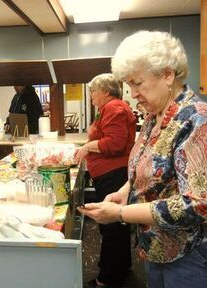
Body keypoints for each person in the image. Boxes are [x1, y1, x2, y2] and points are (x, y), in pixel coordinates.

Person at [78, 31, 207, 288]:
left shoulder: (196, 119)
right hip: (155, 244)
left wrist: (122, 213)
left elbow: (197, 204)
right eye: (129, 84)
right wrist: (126, 191)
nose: (132, 93)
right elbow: (144, 166)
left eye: (138, 83)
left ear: (168, 74)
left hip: (186, 253)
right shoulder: (153, 116)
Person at [75, 73, 136, 288]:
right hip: (110, 173)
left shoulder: (114, 108)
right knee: (116, 227)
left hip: (113, 174)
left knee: (110, 226)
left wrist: (87, 147)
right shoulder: (109, 108)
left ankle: (108, 277)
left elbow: (115, 143)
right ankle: (121, 267)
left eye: (93, 90)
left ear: (106, 91)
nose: (90, 95)